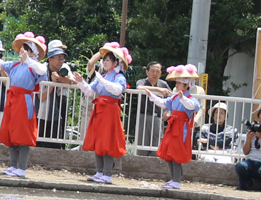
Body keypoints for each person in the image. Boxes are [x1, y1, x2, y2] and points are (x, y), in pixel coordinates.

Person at [0, 32, 48, 178]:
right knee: (11, 133)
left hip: (24, 101)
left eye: (26, 49)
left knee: (23, 134)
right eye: (22, 48)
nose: (22, 51)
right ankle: (13, 165)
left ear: (33, 52)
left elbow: (43, 70)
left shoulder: (35, 66)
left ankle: (22, 167)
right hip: (13, 100)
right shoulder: (15, 64)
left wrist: (29, 60)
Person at [77, 41, 132, 184]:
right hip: (100, 110)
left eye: (108, 60)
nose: (104, 62)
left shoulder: (118, 77)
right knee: (99, 140)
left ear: (115, 63)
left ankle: (107, 173)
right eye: (104, 60)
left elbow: (118, 90)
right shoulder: (104, 76)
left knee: (107, 141)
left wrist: (102, 80)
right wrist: (80, 82)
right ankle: (99, 172)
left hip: (110, 111)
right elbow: (90, 91)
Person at [143, 64, 202, 190]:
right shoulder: (175, 97)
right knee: (168, 153)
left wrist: (183, 99)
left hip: (181, 129)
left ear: (186, 85)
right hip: (173, 126)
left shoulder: (191, 98)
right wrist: (151, 96)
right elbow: (163, 103)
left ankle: (176, 180)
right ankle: (174, 178)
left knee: (176, 154)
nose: (177, 85)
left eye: (179, 83)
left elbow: (193, 107)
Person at [37, 39, 74, 148]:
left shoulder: (64, 67)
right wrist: (53, 83)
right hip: (43, 109)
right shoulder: (42, 69)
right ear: (50, 58)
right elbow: (41, 96)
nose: (61, 60)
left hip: (59, 105)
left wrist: (64, 80)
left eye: (62, 57)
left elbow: (75, 82)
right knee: (40, 137)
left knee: (57, 136)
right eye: (58, 57)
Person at [133, 61, 169, 155]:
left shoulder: (163, 84)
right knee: (141, 145)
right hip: (143, 116)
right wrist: (158, 90)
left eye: (157, 71)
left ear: (161, 73)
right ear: (147, 72)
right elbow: (139, 88)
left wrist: (168, 111)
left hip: (157, 118)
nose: (155, 74)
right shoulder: (142, 82)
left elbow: (171, 99)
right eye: (152, 71)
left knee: (156, 146)